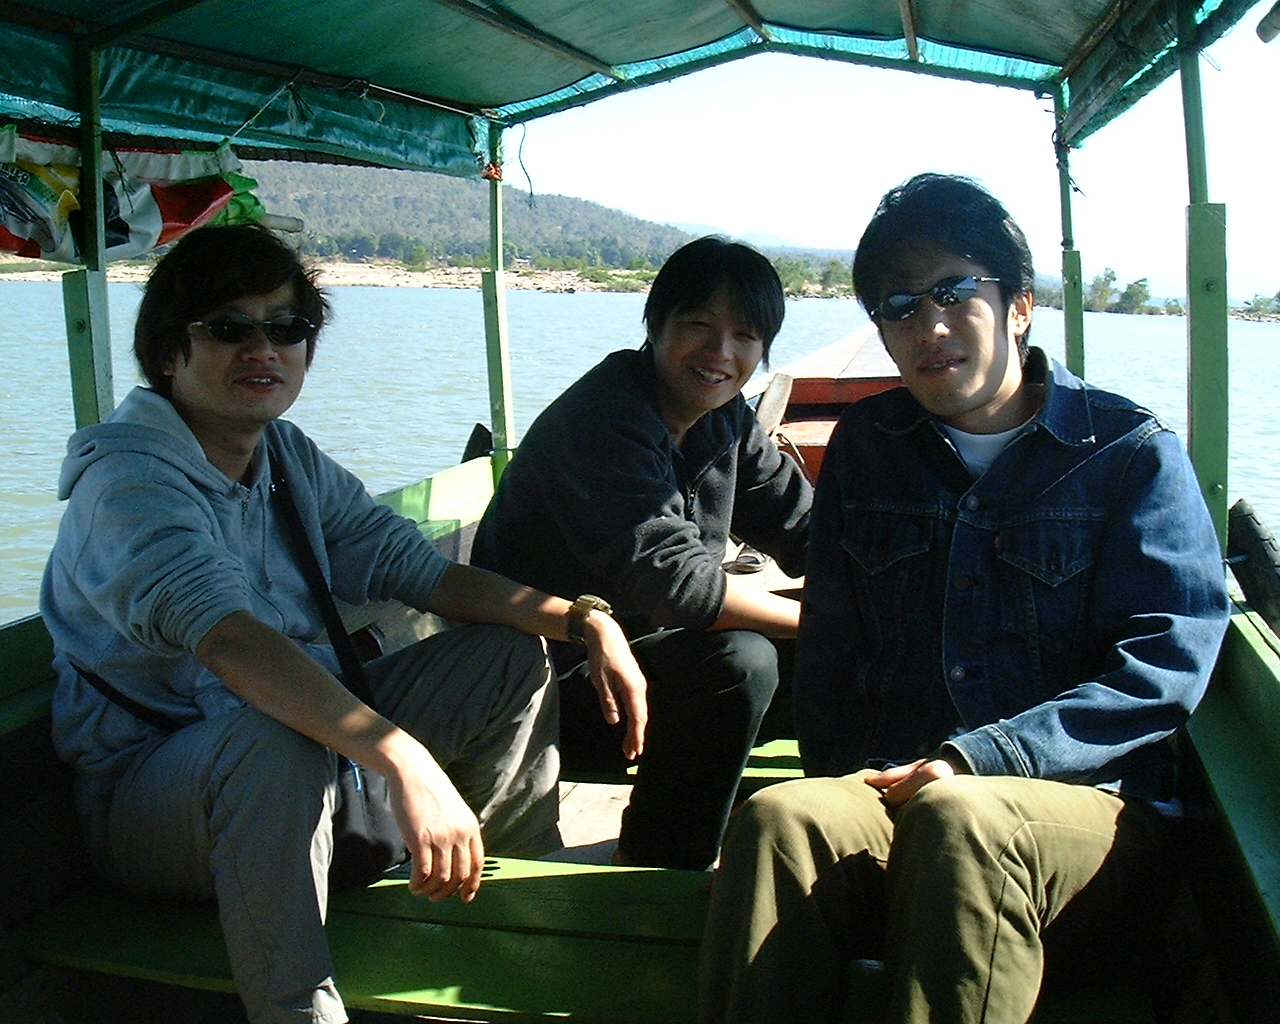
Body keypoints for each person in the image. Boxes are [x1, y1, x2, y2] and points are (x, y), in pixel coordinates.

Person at [40, 224, 646, 1024]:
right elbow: (228, 639)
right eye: (229, 328)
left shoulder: (285, 457)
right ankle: (298, 1009)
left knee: (505, 656)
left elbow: (423, 573)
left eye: (286, 327)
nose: (264, 349)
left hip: (315, 764)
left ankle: (506, 898)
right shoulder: (129, 484)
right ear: (168, 354)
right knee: (271, 740)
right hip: (156, 802)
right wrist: (403, 759)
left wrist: (583, 621)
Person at [698, 174, 1230, 1023]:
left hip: (1089, 819)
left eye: (953, 291)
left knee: (962, 818)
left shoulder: (1127, 453)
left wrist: (979, 758)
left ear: (1019, 305)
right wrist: (843, 782)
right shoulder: (870, 443)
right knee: (780, 820)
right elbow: (832, 647)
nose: (929, 325)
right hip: (902, 796)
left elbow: (1161, 668)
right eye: (899, 305)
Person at [470, 236, 812, 869]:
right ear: (655, 326)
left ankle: (838, 840)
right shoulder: (603, 419)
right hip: (548, 684)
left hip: (641, 654)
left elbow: (805, 527)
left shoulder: (725, 419)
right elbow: (680, 587)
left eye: (745, 336)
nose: (721, 352)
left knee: (856, 654)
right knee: (740, 662)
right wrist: (830, 622)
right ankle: (659, 867)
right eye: (698, 326)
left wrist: (887, 596)